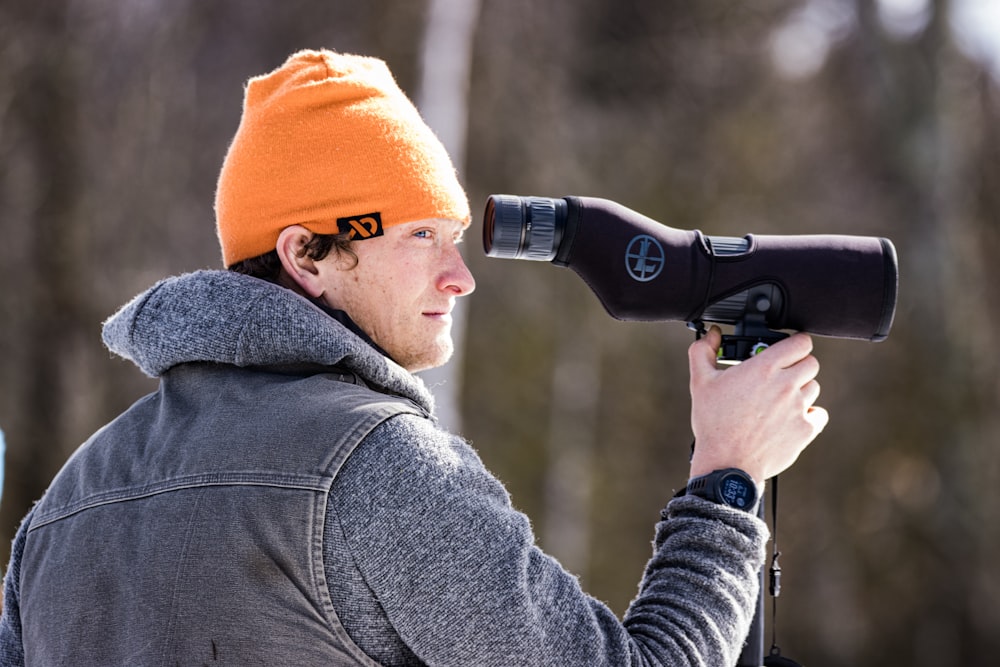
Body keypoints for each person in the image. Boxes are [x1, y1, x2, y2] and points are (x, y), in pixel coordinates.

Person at [0, 49, 827, 666]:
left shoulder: (64, 506)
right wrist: (729, 475)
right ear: (308, 253)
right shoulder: (373, 464)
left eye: (457, 237)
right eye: (421, 235)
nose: (460, 276)